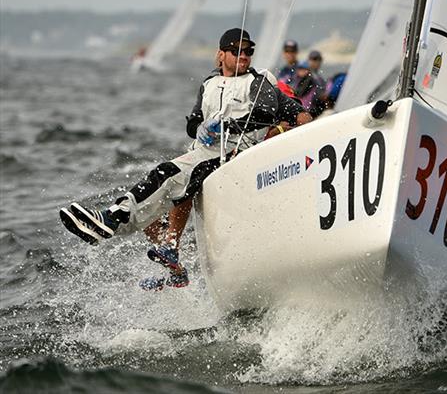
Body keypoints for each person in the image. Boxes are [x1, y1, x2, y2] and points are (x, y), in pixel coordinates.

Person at [59, 28, 312, 289]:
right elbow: (193, 123)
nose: (244, 56)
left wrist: (230, 126)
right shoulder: (208, 84)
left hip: (236, 155)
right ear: (221, 55)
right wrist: (201, 127)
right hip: (206, 152)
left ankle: (111, 220)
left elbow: (268, 112)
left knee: (168, 175)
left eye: (248, 51)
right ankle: (172, 264)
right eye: (237, 51)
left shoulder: (257, 82)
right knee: (156, 201)